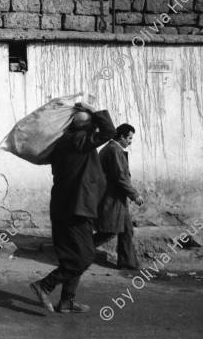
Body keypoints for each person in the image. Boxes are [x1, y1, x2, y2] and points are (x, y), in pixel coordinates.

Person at [30, 103, 116, 313]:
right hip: (73, 209)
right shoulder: (76, 140)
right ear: (85, 127)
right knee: (85, 257)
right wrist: (94, 111)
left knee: (75, 255)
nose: (95, 129)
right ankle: (45, 285)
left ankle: (67, 300)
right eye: (92, 125)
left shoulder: (69, 141)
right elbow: (110, 132)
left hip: (73, 208)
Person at [93, 124, 144, 270]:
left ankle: (127, 263)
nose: (130, 141)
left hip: (118, 199)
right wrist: (134, 195)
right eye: (129, 138)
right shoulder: (113, 150)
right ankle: (79, 250)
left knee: (127, 229)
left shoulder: (112, 149)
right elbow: (120, 177)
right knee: (110, 232)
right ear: (121, 137)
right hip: (112, 198)